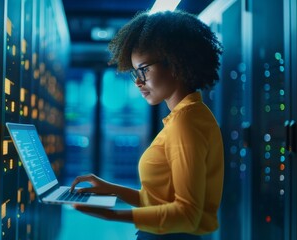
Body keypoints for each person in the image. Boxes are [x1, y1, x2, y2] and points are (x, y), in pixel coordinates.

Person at [69, 9, 224, 240]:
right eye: (135, 73)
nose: (138, 82)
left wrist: (113, 215)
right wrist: (111, 188)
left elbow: (188, 213)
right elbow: (161, 201)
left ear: (175, 63)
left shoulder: (186, 123)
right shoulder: (188, 116)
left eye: (144, 70)